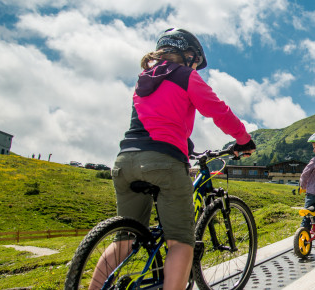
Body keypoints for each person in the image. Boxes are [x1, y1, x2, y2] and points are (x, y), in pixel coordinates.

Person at [96, 28, 256, 290]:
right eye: (194, 60)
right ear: (187, 54)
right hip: (164, 162)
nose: (195, 66)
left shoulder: (143, 80)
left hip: (125, 161)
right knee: (181, 241)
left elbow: (159, 120)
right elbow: (218, 110)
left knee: (124, 240)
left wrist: (185, 145)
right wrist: (243, 140)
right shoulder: (186, 76)